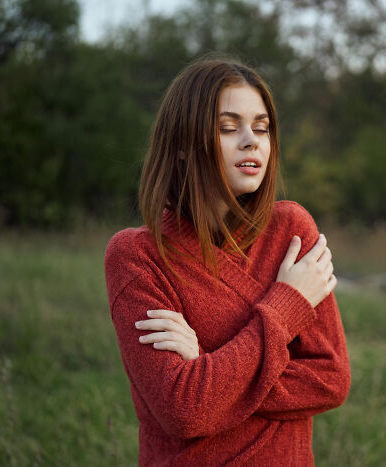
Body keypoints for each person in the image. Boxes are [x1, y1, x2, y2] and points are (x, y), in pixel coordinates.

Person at [104, 58, 351, 466]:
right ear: (183, 144)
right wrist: (286, 305)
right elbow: (183, 411)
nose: (251, 141)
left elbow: (330, 379)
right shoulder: (137, 256)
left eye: (262, 127)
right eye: (228, 127)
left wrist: (205, 367)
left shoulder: (292, 230)